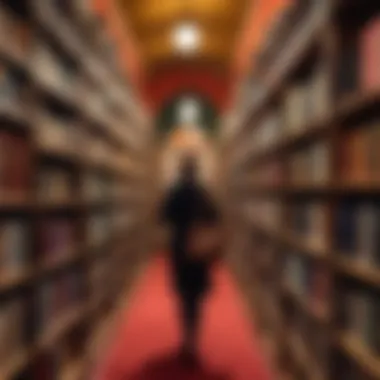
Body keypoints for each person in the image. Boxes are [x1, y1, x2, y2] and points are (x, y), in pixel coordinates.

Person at [161, 155, 220, 364]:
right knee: (196, 298)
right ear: (196, 172)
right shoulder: (204, 194)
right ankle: (194, 338)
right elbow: (216, 218)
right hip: (199, 252)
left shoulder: (175, 194)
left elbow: (163, 216)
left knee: (184, 296)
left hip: (180, 250)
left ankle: (186, 337)